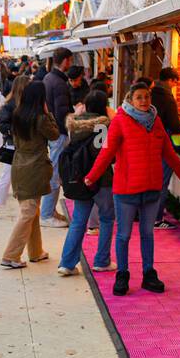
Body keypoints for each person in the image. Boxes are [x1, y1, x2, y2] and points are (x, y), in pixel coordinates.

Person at [84, 80, 180, 296]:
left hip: (152, 189)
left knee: (147, 234)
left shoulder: (157, 121)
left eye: (147, 97)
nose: (144, 101)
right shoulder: (120, 121)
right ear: (130, 100)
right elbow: (106, 152)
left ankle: (148, 273)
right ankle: (122, 274)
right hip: (126, 191)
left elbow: (168, 152)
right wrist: (92, 176)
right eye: (139, 97)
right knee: (123, 235)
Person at [56, 89, 116, 276]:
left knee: (79, 221)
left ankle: (67, 263)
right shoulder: (102, 126)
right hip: (101, 180)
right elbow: (105, 156)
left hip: (79, 178)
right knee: (106, 218)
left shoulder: (74, 124)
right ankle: (101, 260)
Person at [1, 80, 60, 269]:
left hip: (20, 164)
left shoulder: (18, 114)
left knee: (33, 210)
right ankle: (11, 255)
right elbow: (55, 135)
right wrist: (48, 112)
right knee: (28, 212)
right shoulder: (41, 118)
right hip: (34, 167)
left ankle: (35, 251)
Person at [39, 48, 75, 228]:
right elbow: (62, 112)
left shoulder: (48, 78)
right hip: (59, 132)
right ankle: (46, 214)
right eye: (70, 60)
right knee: (55, 173)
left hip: (53, 132)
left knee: (55, 172)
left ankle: (49, 211)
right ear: (66, 61)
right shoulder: (58, 82)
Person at [0, 74, 27, 221]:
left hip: (22, 145)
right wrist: (17, 130)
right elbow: (3, 125)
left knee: (16, 177)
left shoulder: (27, 104)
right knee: (7, 177)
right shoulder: (10, 105)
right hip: (13, 145)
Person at [150, 67, 180, 230]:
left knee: (151, 179)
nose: (175, 86)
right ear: (170, 80)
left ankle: (145, 214)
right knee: (162, 182)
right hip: (165, 144)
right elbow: (175, 125)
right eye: (175, 82)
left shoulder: (149, 94)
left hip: (150, 143)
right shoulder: (167, 97)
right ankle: (157, 218)